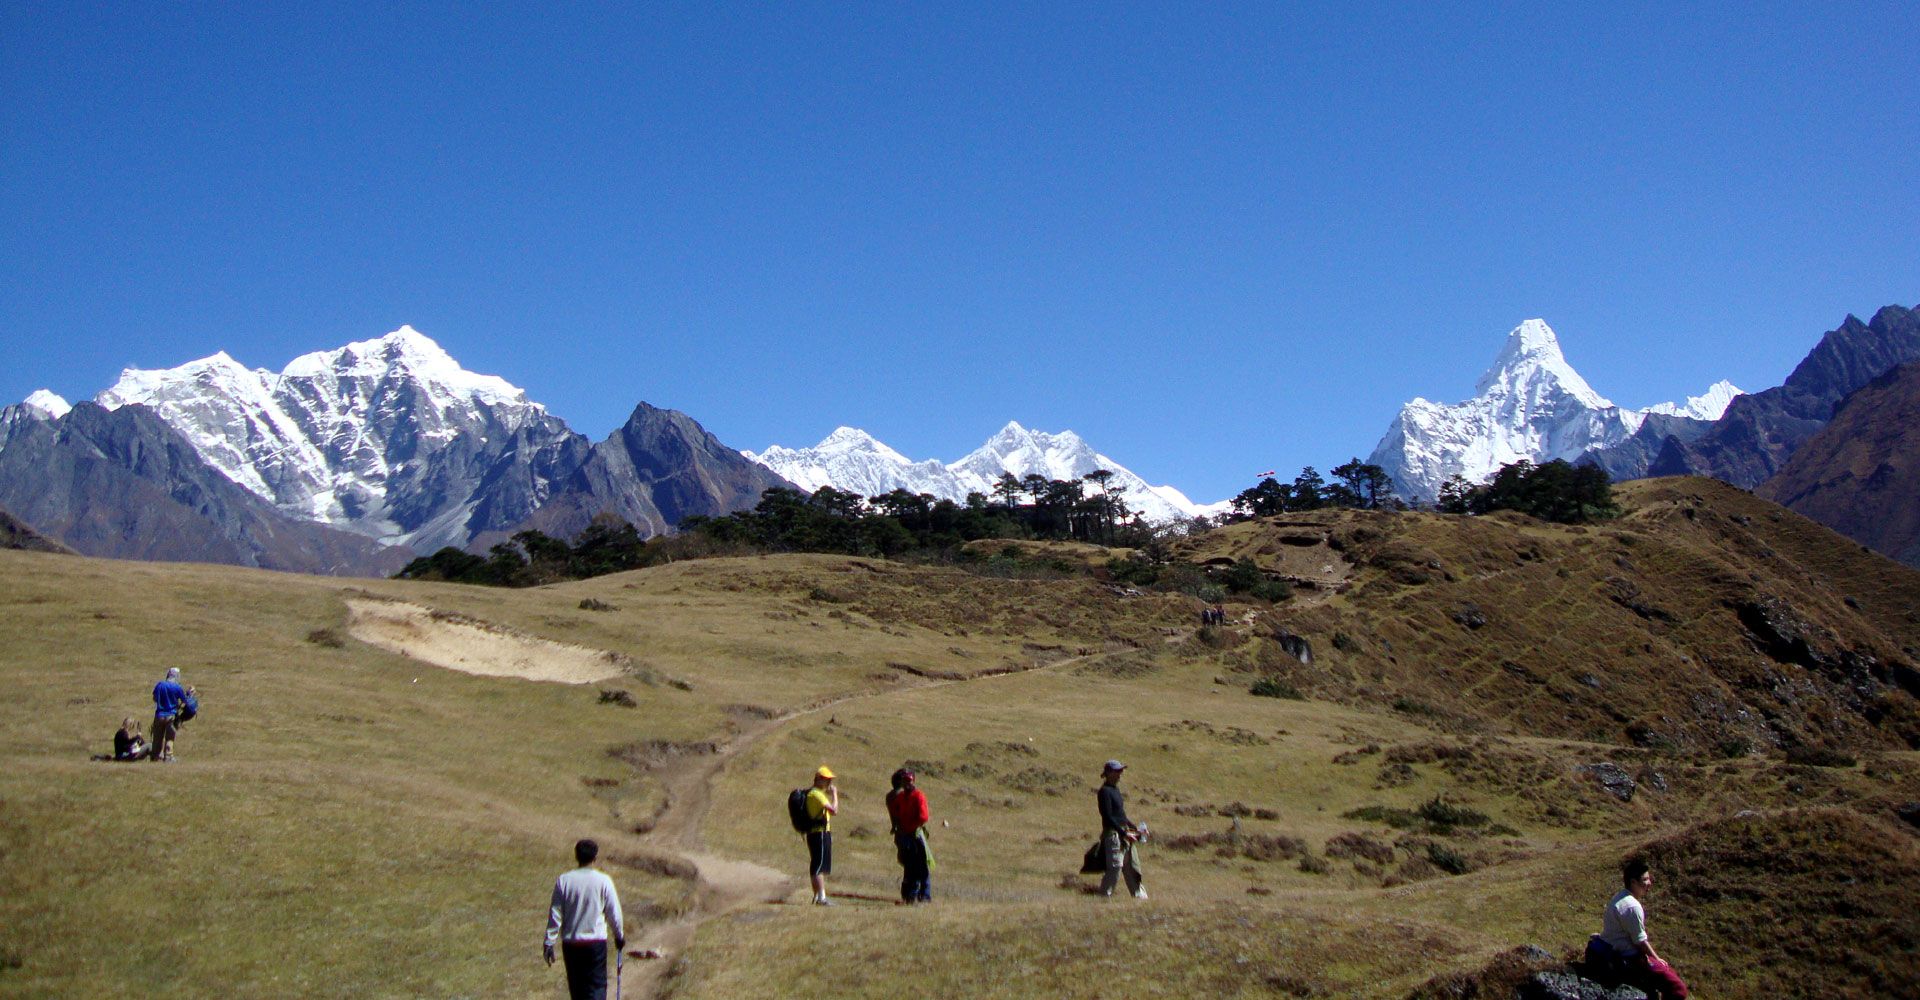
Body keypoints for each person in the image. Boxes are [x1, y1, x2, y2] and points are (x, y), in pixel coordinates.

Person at [1586, 857, 1689, 999]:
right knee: (1678, 988)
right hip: (1626, 956)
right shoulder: (1632, 906)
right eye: (1645, 880)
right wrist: (1657, 959)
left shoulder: (1620, 897)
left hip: (1612, 948)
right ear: (1633, 882)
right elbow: (1639, 941)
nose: (1649, 883)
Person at [544, 838, 625, 1000]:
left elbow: (556, 913)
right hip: (595, 943)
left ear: (576, 857)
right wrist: (619, 935)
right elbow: (613, 912)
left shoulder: (564, 881)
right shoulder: (603, 881)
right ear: (595, 858)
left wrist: (549, 942)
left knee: (577, 990)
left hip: (571, 944)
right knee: (596, 988)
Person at [1097, 759, 1146, 899]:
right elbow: (1108, 817)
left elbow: (1121, 816)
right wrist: (1124, 833)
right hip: (1113, 835)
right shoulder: (1104, 792)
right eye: (1117, 771)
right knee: (1115, 867)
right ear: (1108, 773)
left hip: (1124, 833)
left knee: (1132, 867)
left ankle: (1140, 898)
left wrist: (1136, 829)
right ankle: (1104, 897)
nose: (1120, 774)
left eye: (1121, 770)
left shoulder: (1115, 790)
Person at [885, 767, 932, 903]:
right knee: (910, 866)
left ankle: (924, 895)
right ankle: (910, 895)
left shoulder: (918, 796)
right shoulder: (899, 797)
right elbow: (895, 811)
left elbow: (923, 817)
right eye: (905, 780)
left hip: (915, 835)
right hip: (906, 835)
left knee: (921, 866)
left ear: (913, 781)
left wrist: (910, 826)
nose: (907, 783)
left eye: (909, 780)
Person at [804, 765, 839, 905]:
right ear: (818, 779)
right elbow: (834, 810)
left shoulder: (812, 793)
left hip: (814, 832)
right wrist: (835, 795)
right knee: (819, 866)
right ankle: (821, 897)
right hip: (820, 832)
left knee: (816, 865)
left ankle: (817, 896)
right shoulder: (817, 794)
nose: (829, 783)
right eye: (826, 779)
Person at [150, 668, 187, 762]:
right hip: (171, 716)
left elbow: (154, 698)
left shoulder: (160, 685)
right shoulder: (177, 687)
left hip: (159, 715)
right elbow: (185, 701)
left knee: (157, 738)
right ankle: (168, 756)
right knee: (170, 738)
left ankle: (156, 757)